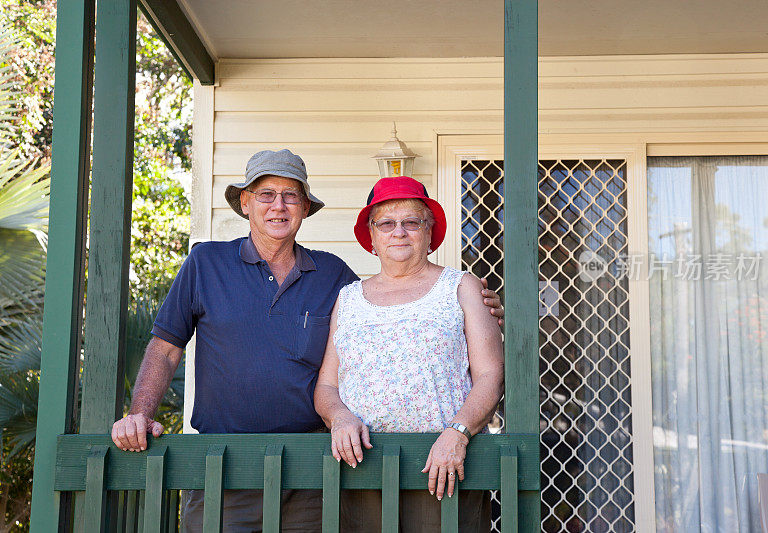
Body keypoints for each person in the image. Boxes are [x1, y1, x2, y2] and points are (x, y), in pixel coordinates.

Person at [110, 150, 504, 532]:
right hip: (225, 465)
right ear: (246, 203)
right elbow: (165, 347)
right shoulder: (206, 263)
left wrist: (479, 306)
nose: (278, 206)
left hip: (311, 470)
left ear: (304, 208)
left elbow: (398, 303)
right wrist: (140, 413)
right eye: (266, 195)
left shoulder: (333, 276)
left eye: (290, 196)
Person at [314, 176, 504, 532]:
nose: (398, 232)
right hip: (362, 468)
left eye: (411, 222)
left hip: (442, 465)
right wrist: (339, 417)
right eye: (386, 223)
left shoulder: (462, 287)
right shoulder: (348, 299)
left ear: (430, 232)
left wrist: (458, 433)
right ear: (371, 237)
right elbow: (326, 386)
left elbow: (491, 376)